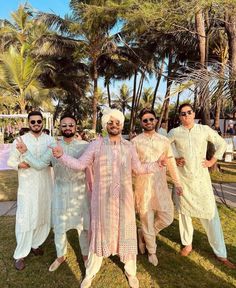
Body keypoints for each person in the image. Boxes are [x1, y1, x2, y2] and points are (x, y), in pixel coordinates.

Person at [50, 108, 165, 288]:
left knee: (126, 233)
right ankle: (90, 273)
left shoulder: (129, 146)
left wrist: (157, 164)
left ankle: (131, 271)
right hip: (102, 200)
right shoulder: (96, 145)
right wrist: (61, 156)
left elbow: (139, 169)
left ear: (121, 125)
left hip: (123, 199)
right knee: (100, 234)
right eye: (110, 123)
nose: (114, 125)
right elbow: (80, 165)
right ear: (105, 125)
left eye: (117, 123)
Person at [16, 114, 90, 271]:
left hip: (80, 192)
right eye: (64, 125)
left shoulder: (84, 146)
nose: (68, 127)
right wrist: (26, 152)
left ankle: (85, 256)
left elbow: (89, 166)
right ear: (60, 128)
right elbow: (38, 165)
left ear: (76, 127)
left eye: (71, 125)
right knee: (59, 227)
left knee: (83, 226)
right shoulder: (53, 147)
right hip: (60, 192)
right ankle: (60, 256)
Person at [168, 103, 235, 269]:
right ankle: (187, 244)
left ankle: (220, 253)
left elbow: (221, 144)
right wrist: (175, 158)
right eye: (182, 114)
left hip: (201, 180)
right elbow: (165, 147)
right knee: (184, 214)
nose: (186, 116)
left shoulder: (204, 129)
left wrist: (213, 160)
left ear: (193, 114)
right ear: (179, 117)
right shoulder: (175, 132)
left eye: (189, 112)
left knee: (211, 214)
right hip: (183, 179)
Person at [132, 108, 183, 266]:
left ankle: (144, 235)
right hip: (143, 185)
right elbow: (133, 167)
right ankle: (152, 251)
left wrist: (178, 183)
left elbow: (171, 163)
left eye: (151, 119)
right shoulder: (135, 142)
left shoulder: (164, 141)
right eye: (145, 120)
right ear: (141, 123)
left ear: (155, 120)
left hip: (160, 185)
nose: (148, 122)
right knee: (147, 219)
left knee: (167, 217)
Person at [7, 111, 55, 271]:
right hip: (27, 187)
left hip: (44, 185)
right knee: (25, 217)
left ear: (43, 123)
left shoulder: (50, 140)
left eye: (38, 121)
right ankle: (20, 254)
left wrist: (30, 158)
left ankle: (36, 243)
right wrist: (20, 165)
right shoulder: (20, 140)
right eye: (33, 122)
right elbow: (11, 161)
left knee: (42, 214)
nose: (36, 124)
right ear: (29, 123)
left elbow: (47, 162)